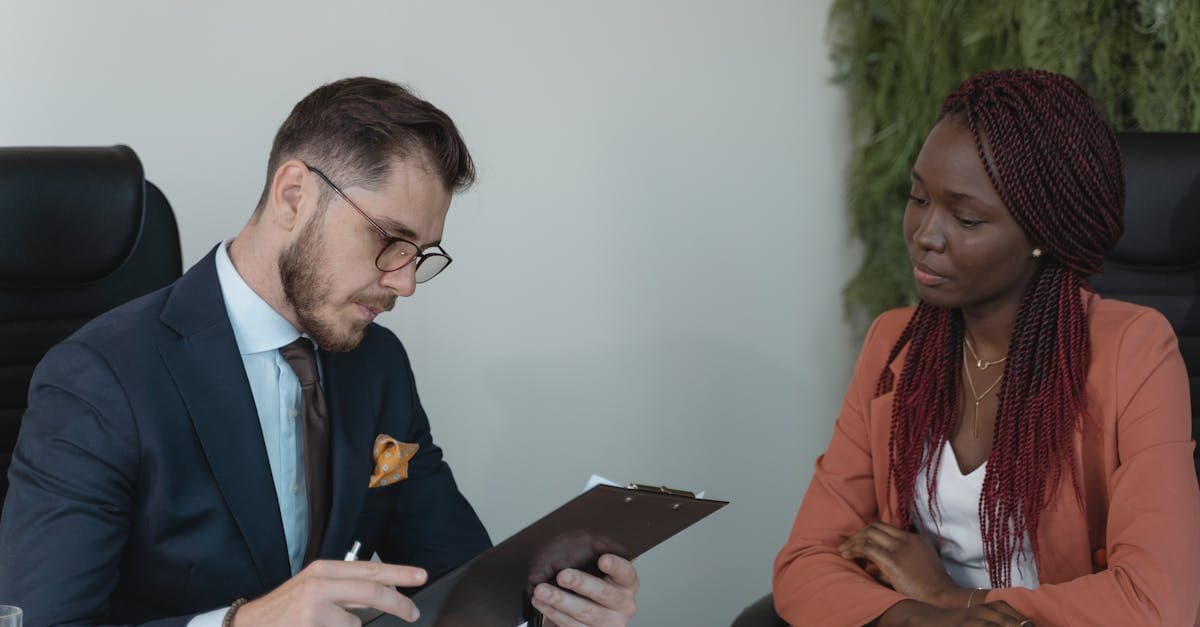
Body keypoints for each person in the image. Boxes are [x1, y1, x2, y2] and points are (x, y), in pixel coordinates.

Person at [0, 77, 639, 627]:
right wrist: (241, 623)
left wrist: (544, 611)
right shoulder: (98, 379)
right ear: (293, 195)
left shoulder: (378, 365)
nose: (406, 281)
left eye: (421, 255)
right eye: (390, 239)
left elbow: (453, 576)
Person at [773, 69, 1200, 626]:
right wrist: (924, 618)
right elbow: (805, 561)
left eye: (966, 217)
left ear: (1043, 234)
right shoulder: (894, 346)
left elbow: (1156, 604)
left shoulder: (1134, 351)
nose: (926, 232)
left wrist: (954, 598)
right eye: (918, 197)